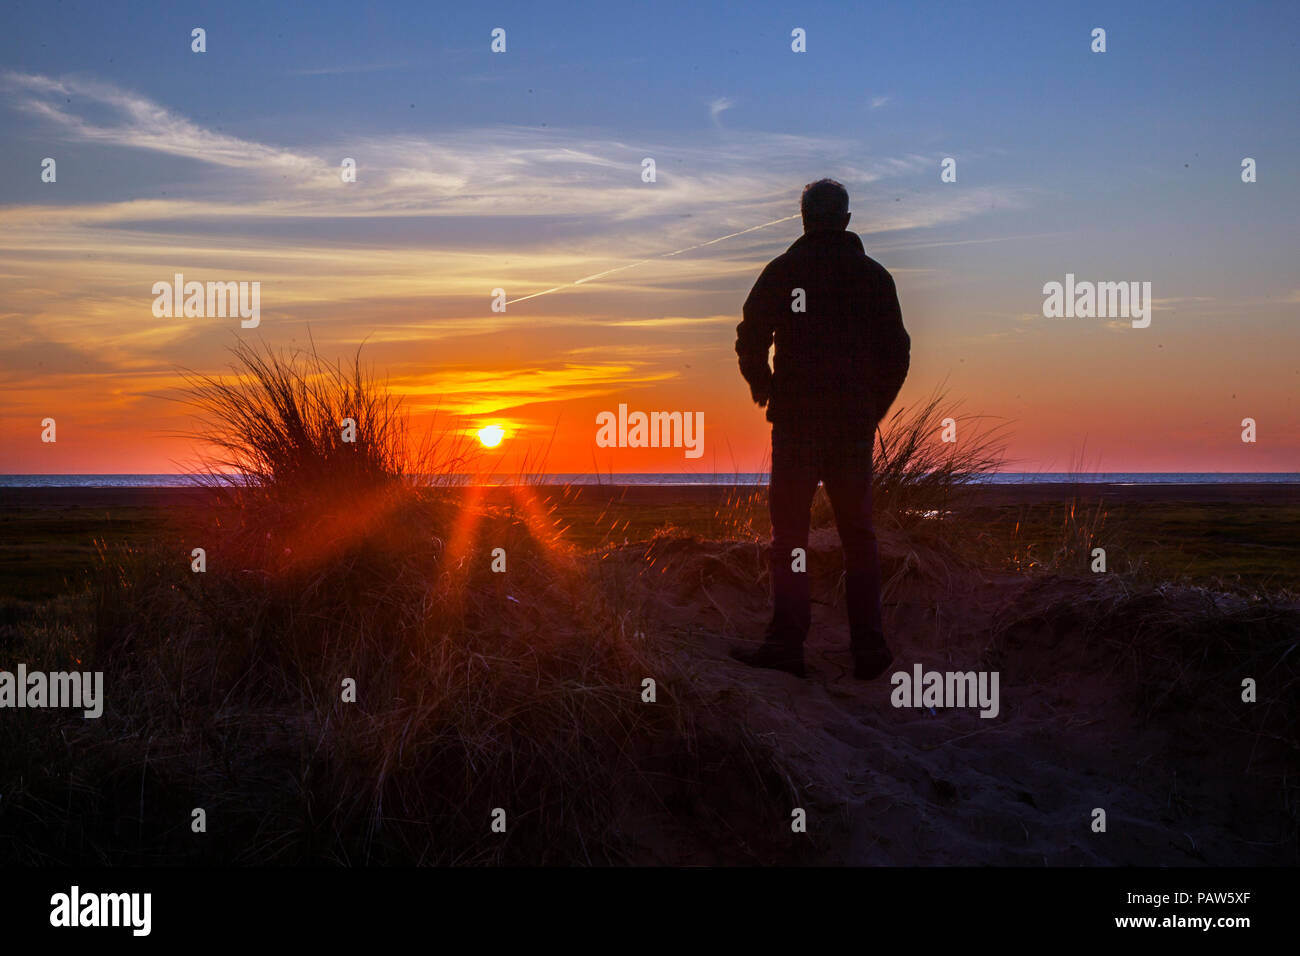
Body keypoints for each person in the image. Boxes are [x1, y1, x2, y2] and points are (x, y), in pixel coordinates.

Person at [731, 178, 910, 679]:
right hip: (849, 425)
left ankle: (788, 645)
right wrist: (872, 408)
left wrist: (761, 383)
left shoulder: (786, 270)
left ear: (804, 218)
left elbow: (750, 335)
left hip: (797, 421)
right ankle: (869, 649)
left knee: (790, 534)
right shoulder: (874, 277)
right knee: (858, 534)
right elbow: (897, 353)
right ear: (847, 220)